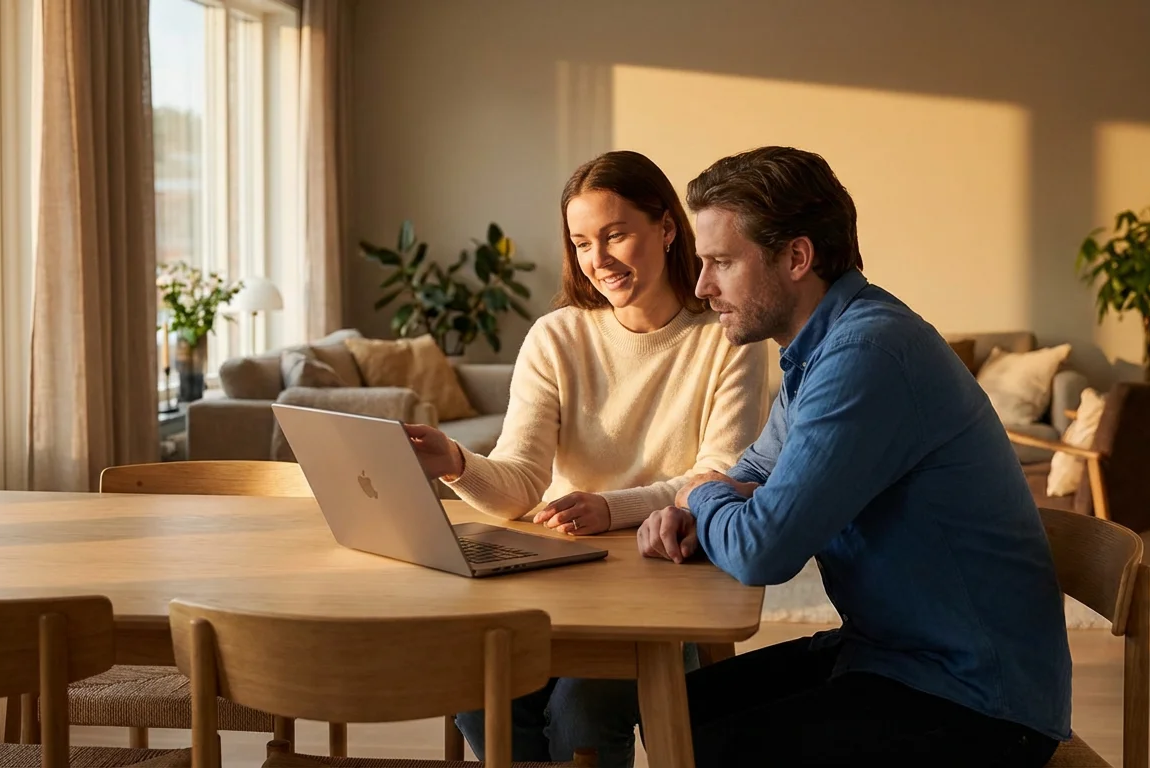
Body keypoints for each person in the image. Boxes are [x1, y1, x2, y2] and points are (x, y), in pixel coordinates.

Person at [636, 146, 1072, 767]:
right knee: (672, 712)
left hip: (977, 699)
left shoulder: (866, 354)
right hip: (893, 653)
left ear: (796, 257)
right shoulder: (818, 350)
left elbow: (764, 549)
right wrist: (708, 500)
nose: (703, 287)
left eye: (721, 263)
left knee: (706, 743)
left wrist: (699, 495)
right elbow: (755, 473)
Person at [404, 150, 769, 767]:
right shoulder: (557, 336)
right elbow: (521, 483)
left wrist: (610, 508)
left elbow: (722, 476)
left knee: (581, 709)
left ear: (667, 228)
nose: (597, 260)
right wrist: (455, 463)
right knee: (476, 694)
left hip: (663, 571)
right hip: (558, 572)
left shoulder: (725, 335)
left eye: (616, 234)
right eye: (581, 243)